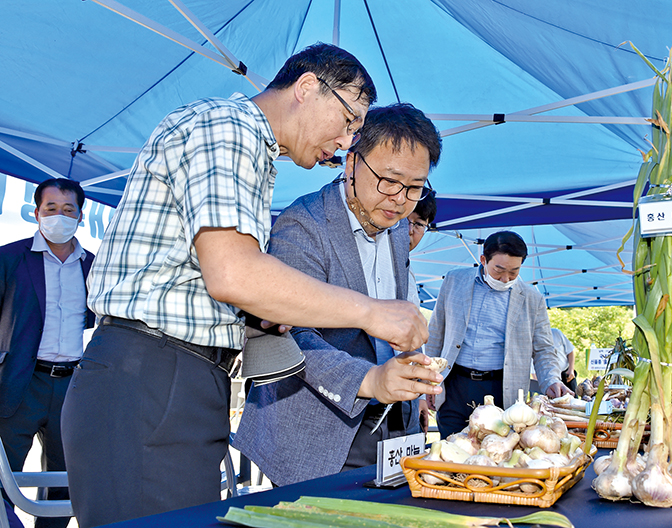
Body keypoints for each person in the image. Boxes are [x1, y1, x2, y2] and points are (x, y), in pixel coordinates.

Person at [60, 44, 430, 528]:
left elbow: (217, 278)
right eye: (347, 121)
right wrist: (372, 312)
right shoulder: (228, 128)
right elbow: (233, 272)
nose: (345, 142)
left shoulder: (253, 153)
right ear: (306, 88)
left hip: (178, 378)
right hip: (151, 374)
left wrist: (259, 315)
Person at [233, 103, 443, 487]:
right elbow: (290, 335)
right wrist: (372, 380)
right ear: (351, 164)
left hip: (389, 424)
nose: (399, 199)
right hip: (319, 431)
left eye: (415, 188)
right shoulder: (304, 224)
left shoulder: (397, 228)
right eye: (390, 181)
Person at [0, 178, 94, 528]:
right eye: (51, 208)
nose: (59, 215)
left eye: (68, 209)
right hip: (18, 386)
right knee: (4, 477)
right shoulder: (9, 258)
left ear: (80, 216)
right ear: (37, 213)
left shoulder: (93, 267)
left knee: (66, 482)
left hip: (71, 388)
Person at [425, 231, 572, 439]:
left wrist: (551, 380)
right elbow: (436, 333)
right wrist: (430, 382)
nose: (505, 279)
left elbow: (544, 349)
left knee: (494, 452)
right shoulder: (454, 281)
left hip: (502, 387)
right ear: (483, 260)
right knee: (452, 446)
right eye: (499, 270)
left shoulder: (532, 299)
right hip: (455, 383)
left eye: (514, 272)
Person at [405, 190, 437, 434]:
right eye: (405, 220)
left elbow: (415, 339)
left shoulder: (408, 274)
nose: (410, 230)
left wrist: (421, 395)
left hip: (404, 396)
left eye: (419, 224)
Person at [551, 327, 577, 392]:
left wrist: (571, 369)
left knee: (573, 399)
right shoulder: (534, 338)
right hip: (550, 379)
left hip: (566, 374)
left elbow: (570, 351)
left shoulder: (556, 332)